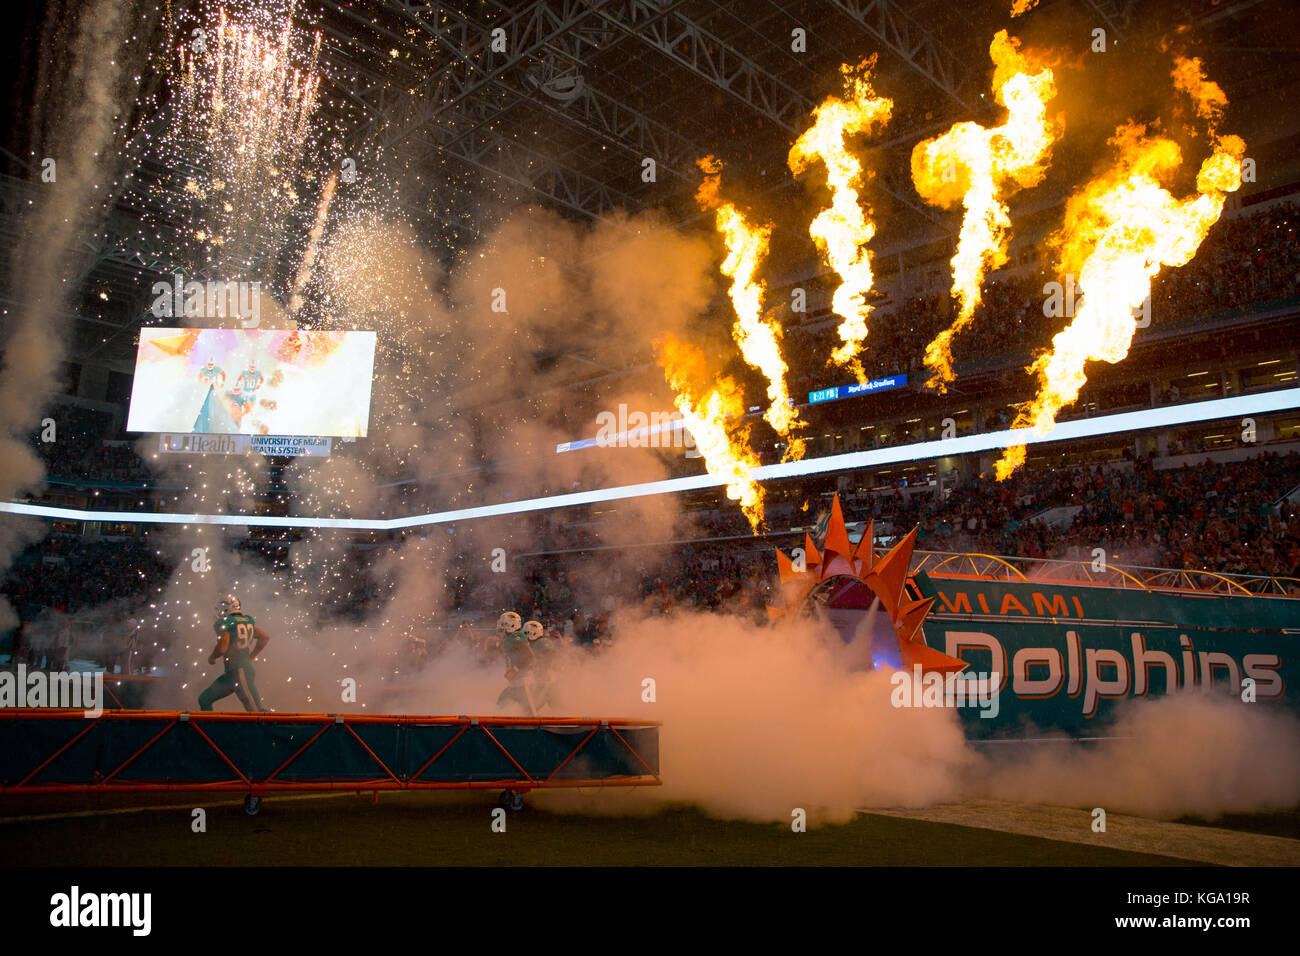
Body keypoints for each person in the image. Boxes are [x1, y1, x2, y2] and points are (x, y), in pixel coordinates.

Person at [198, 595, 268, 712]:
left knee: (256, 711)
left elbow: (222, 647)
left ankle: (272, 730)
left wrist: (212, 657)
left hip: (239, 672)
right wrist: (251, 657)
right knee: (204, 699)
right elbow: (264, 637)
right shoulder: (247, 621)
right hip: (233, 673)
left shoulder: (225, 622)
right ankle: (209, 728)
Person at [495, 611, 536, 714]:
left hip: (523, 682)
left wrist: (515, 669)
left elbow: (530, 657)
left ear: (511, 624)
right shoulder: (510, 638)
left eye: (503, 623)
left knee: (530, 713)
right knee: (500, 706)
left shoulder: (518, 636)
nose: (500, 625)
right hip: (514, 683)